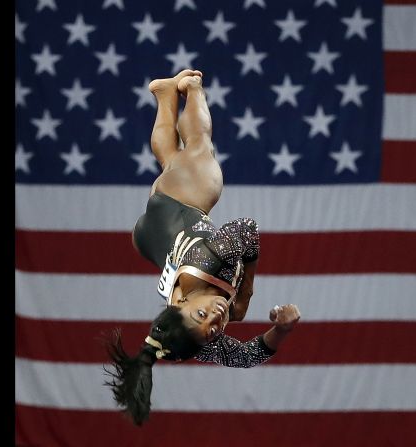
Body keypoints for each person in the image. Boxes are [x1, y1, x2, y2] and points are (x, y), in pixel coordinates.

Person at [104, 69, 301, 426]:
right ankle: (165, 95)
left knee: (200, 150)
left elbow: (246, 230)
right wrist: (282, 330)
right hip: (150, 236)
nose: (216, 318)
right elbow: (244, 356)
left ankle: (190, 87)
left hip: (181, 203)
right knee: (171, 160)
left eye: (201, 315)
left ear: (180, 303)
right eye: (213, 328)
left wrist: (245, 297)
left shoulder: (212, 260)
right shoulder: (188, 334)